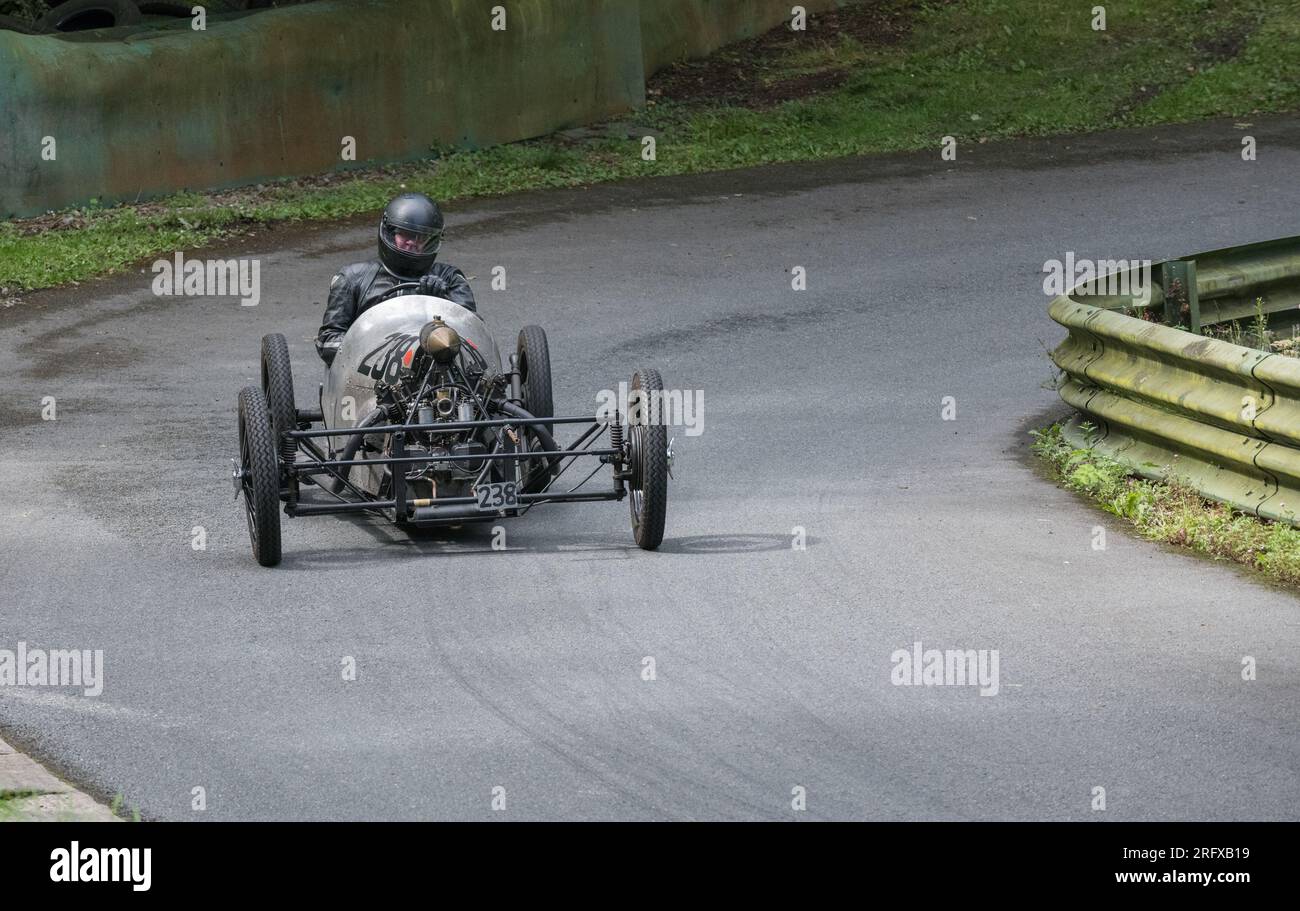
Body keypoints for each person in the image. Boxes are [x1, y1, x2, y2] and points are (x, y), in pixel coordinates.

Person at [315, 192, 476, 365]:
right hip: (369, 373)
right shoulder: (352, 279)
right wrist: (372, 350)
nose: (412, 243)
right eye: (406, 234)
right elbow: (328, 341)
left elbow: (472, 335)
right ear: (390, 233)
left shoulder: (450, 279)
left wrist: (439, 303)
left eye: (421, 237)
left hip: (435, 373)